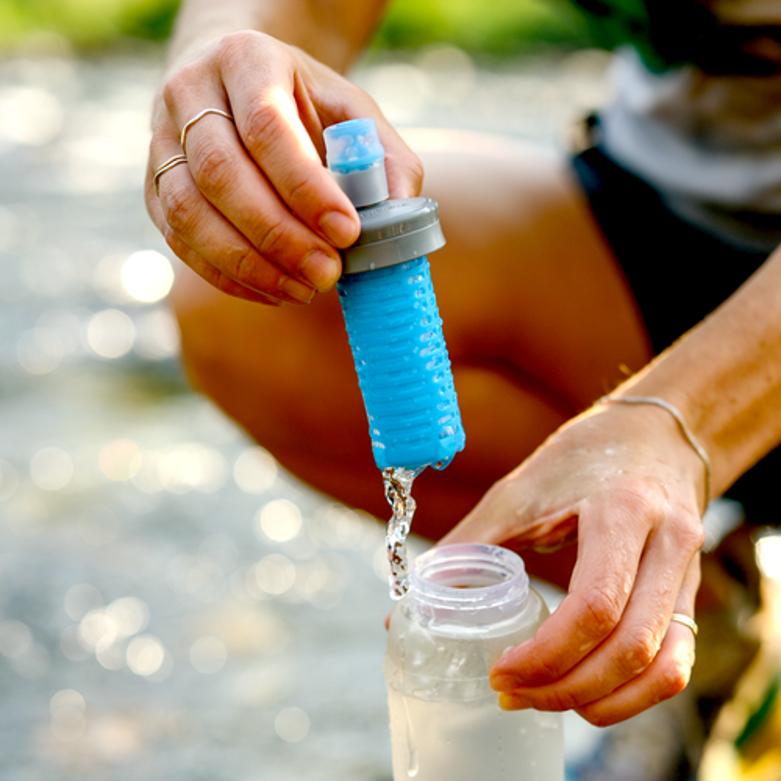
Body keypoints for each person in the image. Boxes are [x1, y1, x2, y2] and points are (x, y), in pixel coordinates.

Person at [144, 0, 781, 730]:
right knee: (251, 307)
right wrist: (226, 71)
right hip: (650, 208)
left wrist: (679, 419)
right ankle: (715, 632)